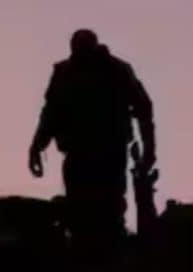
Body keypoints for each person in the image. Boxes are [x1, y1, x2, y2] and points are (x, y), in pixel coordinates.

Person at [28, 29, 156, 252]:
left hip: (109, 152)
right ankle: (86, 261)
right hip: (79, 153)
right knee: (79, 212)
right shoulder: (65, 73)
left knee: (110, 210)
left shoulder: (116, 70)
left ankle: (109, 261)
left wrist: (149, 149)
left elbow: (143, 108)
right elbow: (50, 114)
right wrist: (37, 146)